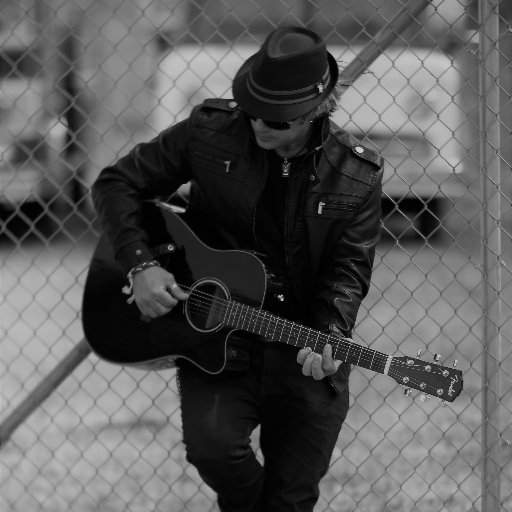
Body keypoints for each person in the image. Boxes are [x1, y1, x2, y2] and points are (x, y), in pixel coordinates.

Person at [92, 25, 383, 512]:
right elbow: (116, 183)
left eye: (276, 119)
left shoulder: (356, 173)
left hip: (300, 344)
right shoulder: (209, 132)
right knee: (213, 452)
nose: (258, 126)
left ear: (313, 112)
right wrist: (140, 263)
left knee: (293, 493)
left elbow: (349, 269)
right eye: (252, 112)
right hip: (212, 335)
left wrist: (329, 331)